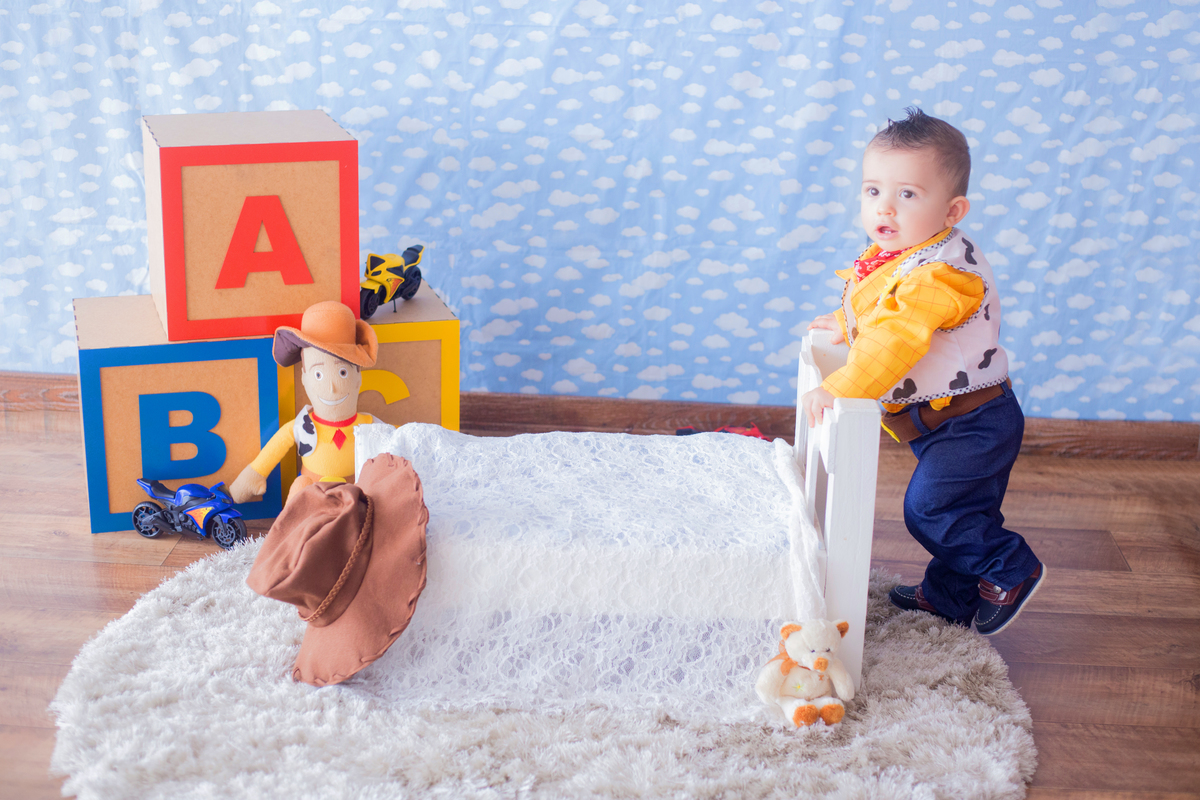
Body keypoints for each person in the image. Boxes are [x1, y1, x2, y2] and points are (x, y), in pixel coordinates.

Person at [800, 107, 1044, 635]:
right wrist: (847, 322)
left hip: (972, 422)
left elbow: (898, 336)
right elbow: (879, 302)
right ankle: (948, 595)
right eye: (872, 191)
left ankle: (1010, 567)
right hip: (944, 419)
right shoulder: (911, 250)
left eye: (907, 194)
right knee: (965, 506)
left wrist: (838, 387)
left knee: (932, 510)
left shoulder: (941, 274)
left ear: (953, 209)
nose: (884, 206)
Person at [230, 301, 378, 507]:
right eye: (318, 374)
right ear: (304, 377)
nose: (332, 388)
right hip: (311, 492)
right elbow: (276, 447)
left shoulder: (368, 425)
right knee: (299, 487)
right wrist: (254, 475)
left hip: (354, 492)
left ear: (358, 376)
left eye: (342, 372)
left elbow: (402, 439)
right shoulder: (300, 426)